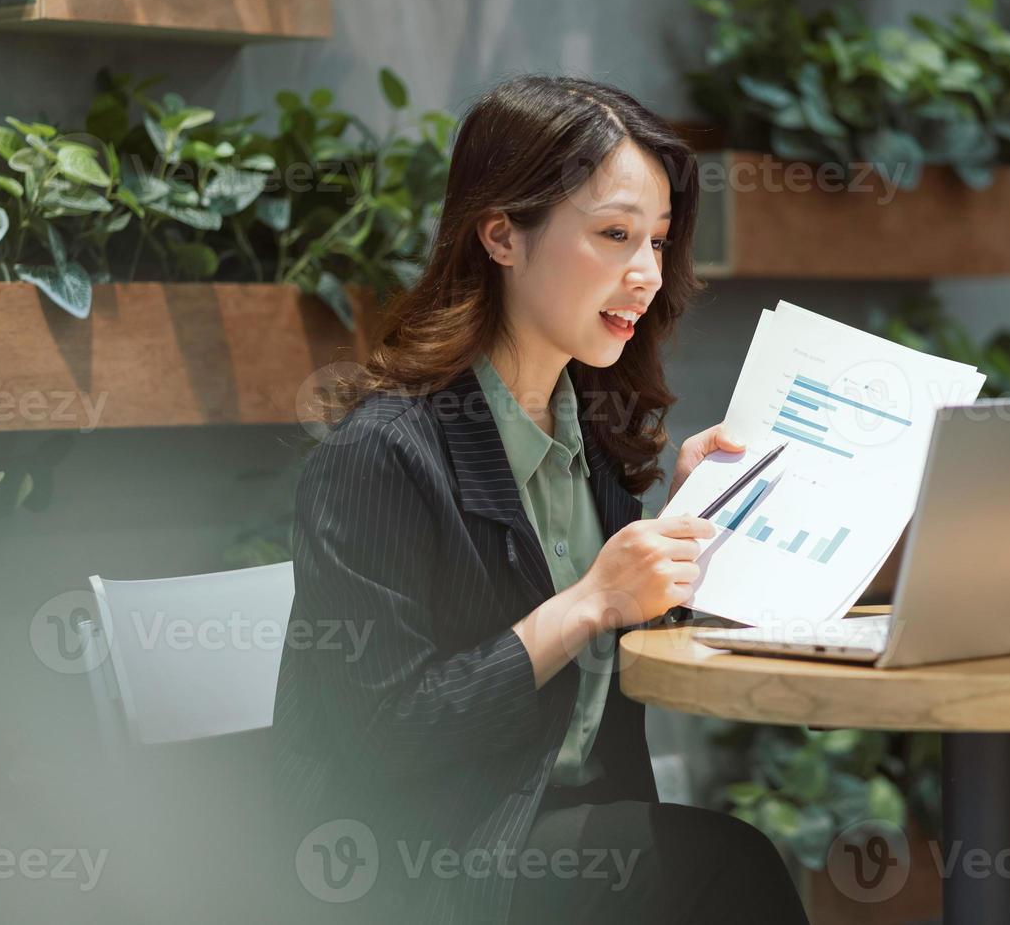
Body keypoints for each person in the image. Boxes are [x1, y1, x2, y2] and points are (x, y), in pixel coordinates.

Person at [272, 73, 810, 925]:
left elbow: (614, 665)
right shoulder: (382, 453)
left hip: (561, 833)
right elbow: (384, 737)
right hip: (420, 860)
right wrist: (589, 602)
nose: (645, 274)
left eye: (660, 242)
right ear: (501, 236)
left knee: (710, 863)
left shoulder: (593, 428)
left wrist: (688, 526)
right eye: (614, 235)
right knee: (723, 869)